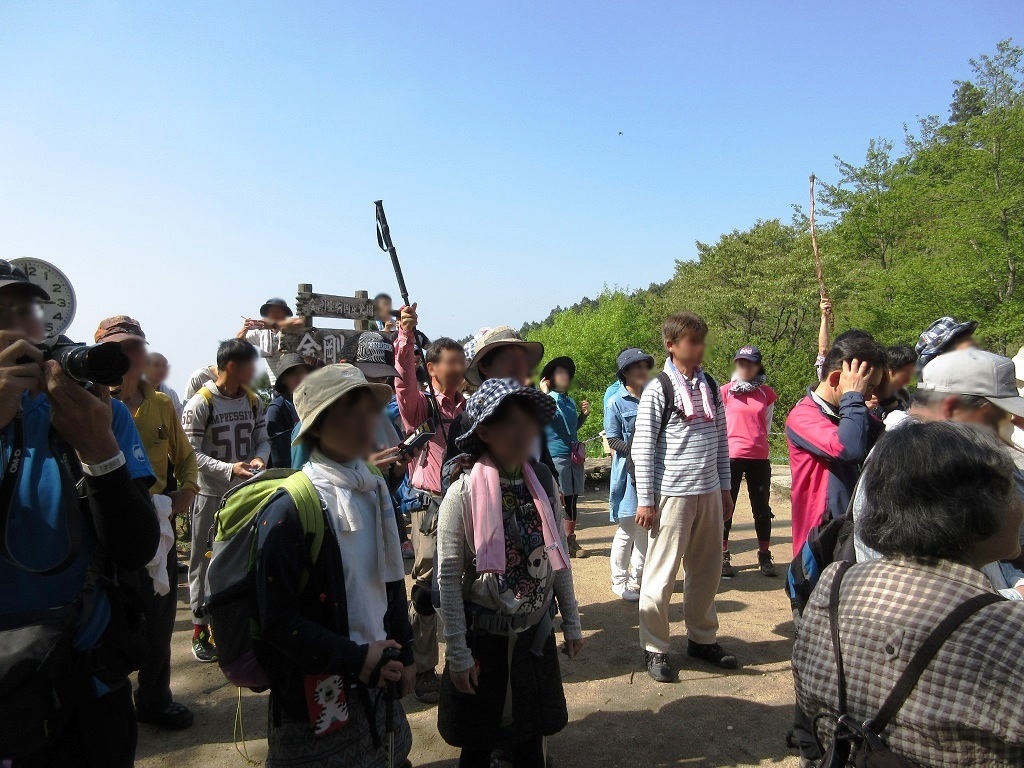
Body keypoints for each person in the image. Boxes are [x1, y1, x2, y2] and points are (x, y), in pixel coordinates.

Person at [0, 260, 160, 767]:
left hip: (88, 676)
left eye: (27, 309)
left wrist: (98, 450)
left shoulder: (97, 411)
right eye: (2, 312)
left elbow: (137, 546)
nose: (22, 325)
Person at [793, 421, 1024, 768]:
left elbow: (811, 701)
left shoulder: (834, 585)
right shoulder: (1009, 630)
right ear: (974, 507)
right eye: (1009, 488)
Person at [256, 364, 415, 768]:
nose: (367, 422)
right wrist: (353, 658)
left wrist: (407, 652)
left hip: (379, 681)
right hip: (318, 698)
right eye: (350, 411)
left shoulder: (375, 490)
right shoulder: (291, 509)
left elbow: (391, 582)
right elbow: (276, 619)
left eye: (369, 410)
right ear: (317, 428)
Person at [437, 378, 584, 767]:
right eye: (513, 423)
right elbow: (448, 580)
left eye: (530, 422)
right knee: (478, 744)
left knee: (530, 742)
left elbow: (558, 557)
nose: (526, 432)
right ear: (484, 430)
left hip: (533, 635)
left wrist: (571, 620)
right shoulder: (463, 493)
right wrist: (458, 654)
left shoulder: (543, 483)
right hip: (483, 641)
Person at [96, 316, 199, 732]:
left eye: (136, 346)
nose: (129, 355)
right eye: (118, 348)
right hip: (101, 528)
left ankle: (155, 701)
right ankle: (104, 707)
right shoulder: (85, 402)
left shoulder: (160, 404)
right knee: (106, 619)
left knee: (159, 621)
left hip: (156, 525)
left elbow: (185, 456)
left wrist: (186, 494)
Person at [632, 312, 737, 683]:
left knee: (706, 571)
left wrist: (725, 490)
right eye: (691, 341)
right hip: (671, 494)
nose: (698, 347)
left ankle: (702, 638)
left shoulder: (710, 385)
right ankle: (655, 647)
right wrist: (646, 500)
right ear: (671, 345)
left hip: (707, 490)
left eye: (701, 340)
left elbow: (722, 441)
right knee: (660, 575)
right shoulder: (659, 387)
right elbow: (642, 447)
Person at [393, 302, 467, 704]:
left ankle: (463, 656)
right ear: (433, 367)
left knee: (463, 579)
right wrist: (405, 335)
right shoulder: (422, 406)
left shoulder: (470, 408)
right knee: (426, 585)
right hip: (430, 505)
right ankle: (423, 667)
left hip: (466, 500)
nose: (457, 368)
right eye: (449, 362)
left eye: (461, 361)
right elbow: (403, 381)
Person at [182, 339, 270, 663]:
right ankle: (200, 629)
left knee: (245, 559)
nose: (254, 371)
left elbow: (262, 439)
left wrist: (260, 459)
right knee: (203, 562)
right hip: (210, 495)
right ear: (232, 366)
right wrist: (228, 469)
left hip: (245, 495)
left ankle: (236, 626)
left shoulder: (253, 400)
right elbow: (189, 453)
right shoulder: (199, 404)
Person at [785, 336, 886, 557]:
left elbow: (888, 439)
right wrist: (853, 397)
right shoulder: (803, 416)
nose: (870, 395)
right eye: (867, 386)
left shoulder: (848, 413)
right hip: (820, 540)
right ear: (836, 379)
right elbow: (847, 449)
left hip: (849, 533)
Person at [351, 330, 415, 560]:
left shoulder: (378, 418)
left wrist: (398, 468)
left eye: (384, 378)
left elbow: (387, 485)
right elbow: (309, 484)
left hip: (382, 535)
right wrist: (363, 467)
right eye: (371, 377)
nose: (379, 384)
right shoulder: (318, 424)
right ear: (344, 367)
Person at [720, 345, 779, 579]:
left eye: (750, 363)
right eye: (741, 363)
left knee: (762, 509)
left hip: (758, 457)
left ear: (757, 366)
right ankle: (723, 555)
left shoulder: (766, 394)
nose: (745, 367)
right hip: (730, 457)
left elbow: (766, 425)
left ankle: (764, 554)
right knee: (726, 507)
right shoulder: (724, 392)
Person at [604, 347, 654, 601]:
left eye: (645, 366)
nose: (643, 371)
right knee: (627, 529)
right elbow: (612, 439)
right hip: (627, 473)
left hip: (652, 472)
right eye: (637, 367)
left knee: (645, 530)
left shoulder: (653, 397)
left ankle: (638, 579)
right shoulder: (615, 401)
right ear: (625, 373)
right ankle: (619, 581)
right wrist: (637, 449)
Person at [540, 356, 591, 558]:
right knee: (558, 497)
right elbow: (545, 419)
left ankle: (570, 539)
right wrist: (544, 394)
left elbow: (572, 429)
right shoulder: (547, 399)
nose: (565, 376)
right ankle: (557, 540)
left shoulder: (569, 400)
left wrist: (583, 416)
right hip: (556, 455)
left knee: (572, 498)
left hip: (573, 456)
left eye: (566, 374)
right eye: (559, 373)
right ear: (550, 378)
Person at [237, 298, 306, 386]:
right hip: (276, 382)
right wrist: (245, 327)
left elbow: (300, 322)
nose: (274, 314)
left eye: (277, 311)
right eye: (271, 311)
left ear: (284, 314)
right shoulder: (261, 333)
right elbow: (238, 341)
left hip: (297, 382)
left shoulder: (291, 329)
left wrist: (274, 324)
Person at [266, 353, 314, 469]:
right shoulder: (277, 409)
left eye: (301, 372)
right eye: (292, 374)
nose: (299, 377)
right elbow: (278, 455)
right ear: (283, 380)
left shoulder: (313, 402)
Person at [146, 351, 182, 417]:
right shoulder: (135, 390)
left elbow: (178, 421)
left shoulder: (171, 394)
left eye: (164, 366)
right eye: (156, 365)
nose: (161, 369)